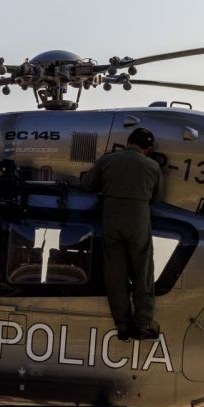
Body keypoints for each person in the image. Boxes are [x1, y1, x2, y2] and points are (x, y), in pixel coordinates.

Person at [81, 127, 164, 341]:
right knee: (142, 273)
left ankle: (123, 326)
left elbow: (87, 184)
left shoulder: (108, 160)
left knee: (115, 274)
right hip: (138, 220)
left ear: (127, 141)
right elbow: (157, 198)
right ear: (148, 149)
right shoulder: (153, 166)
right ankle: (143, 325)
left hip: (111, 220)